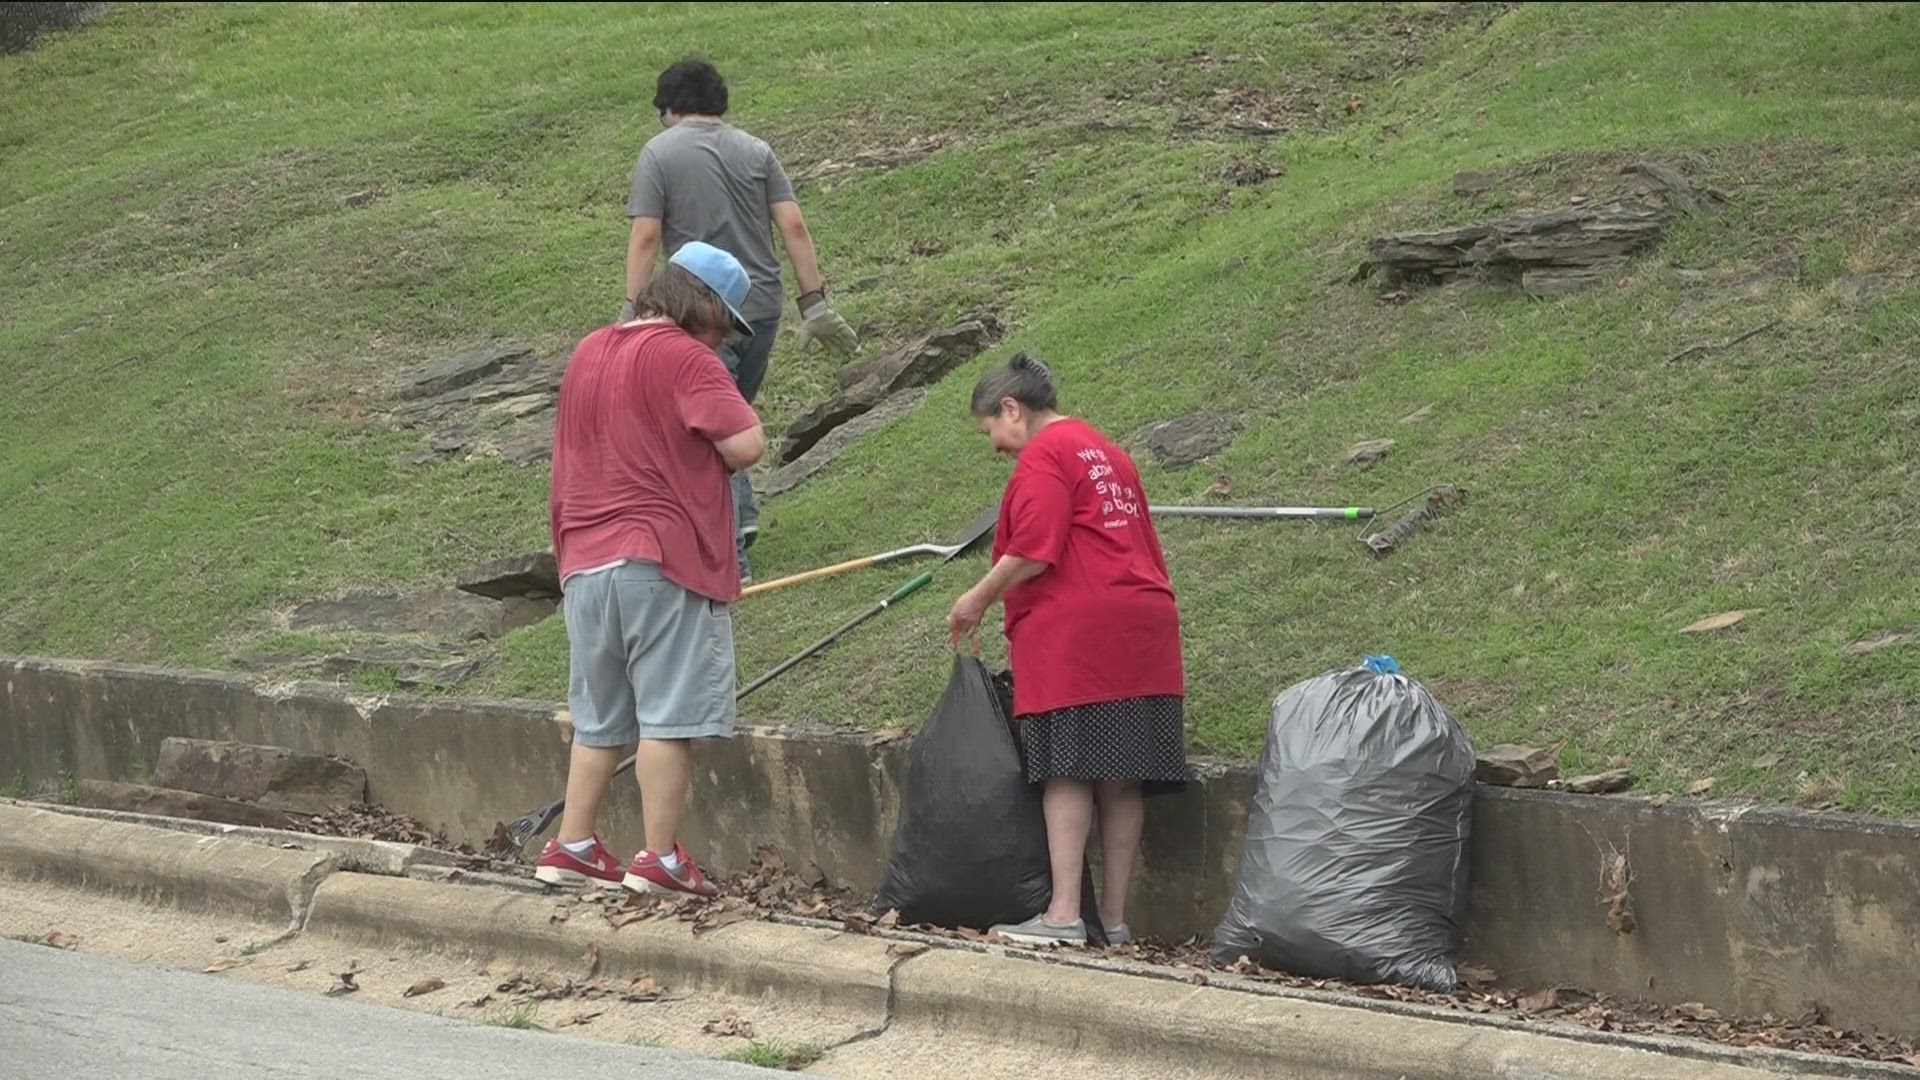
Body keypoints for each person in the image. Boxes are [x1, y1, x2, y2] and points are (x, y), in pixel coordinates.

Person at [536, 241, 766, 897]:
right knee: (669, 716)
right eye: (725, 321)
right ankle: (659, 858)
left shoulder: (589, 351)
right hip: (660, 557)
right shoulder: (685, 356)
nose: (726, 338)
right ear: (703, 305)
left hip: (584, 559)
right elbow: (746, 444)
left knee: (600, 717)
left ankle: (572, 845)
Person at [946, 354, 1189, 946]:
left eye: (992, 432)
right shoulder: (1108, 451)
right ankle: (1114, 921)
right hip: (1145, 627)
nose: (996, 447)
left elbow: (1034, 549)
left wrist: (976, 598)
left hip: (1079, 634)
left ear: (1012, 409)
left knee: (1068, 771)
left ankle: (1061, 917)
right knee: (1122, 779)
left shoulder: (1044, 457)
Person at [622, 57, 861, 582]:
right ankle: (744, 518)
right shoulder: (757, 150)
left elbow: (644, 236)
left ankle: (731, 556)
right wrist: (814, 301)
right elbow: (793, 226)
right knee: (729, 414)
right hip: (760, 309)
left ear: (670, 107)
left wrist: (632, 311)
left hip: (696, 314)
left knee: (707, 432)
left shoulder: (659, 153)